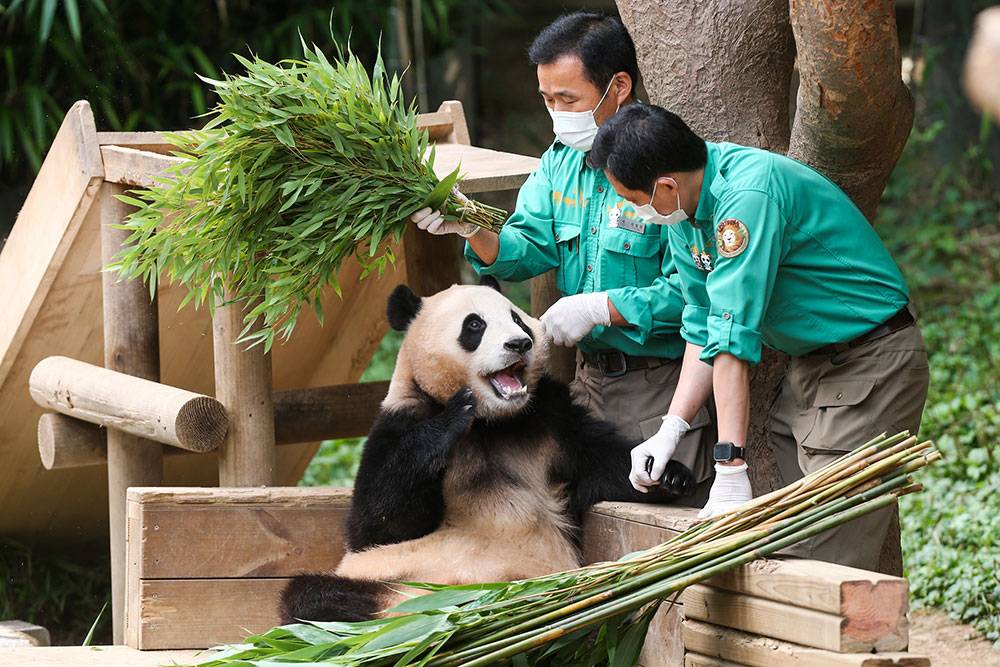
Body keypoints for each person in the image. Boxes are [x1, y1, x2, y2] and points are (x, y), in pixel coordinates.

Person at [588, 103, 929, 570]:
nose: (632, 211)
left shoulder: (745, 199)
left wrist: (729, 466)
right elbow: (702, 322)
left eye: (631, 199)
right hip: (812, 366)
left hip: (870, 360)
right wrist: (672, 428)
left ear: (665, 185)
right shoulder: (684, 214)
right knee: (801, 538)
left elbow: (731, 339)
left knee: (824, 555)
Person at [408, 13, 716, 501]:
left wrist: (601, 308)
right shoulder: (561, 159)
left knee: (667, 529)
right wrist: (471, 226)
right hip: (587, 385)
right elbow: (525, 245)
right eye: (547, 99)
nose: (556, 112)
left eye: (567, 99)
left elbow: (697, 294)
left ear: (618, 86)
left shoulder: (660, 160)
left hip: (658, 386)